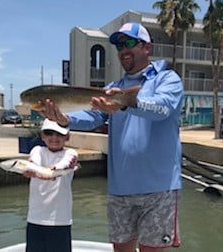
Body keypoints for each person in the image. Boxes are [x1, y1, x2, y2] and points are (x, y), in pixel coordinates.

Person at [43, 22, 184, 252]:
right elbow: (92, 115)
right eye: (119, 45)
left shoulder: (167, 80)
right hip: (120, 188)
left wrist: (126, 102)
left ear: (147, 47)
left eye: (129, 42)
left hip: (159, 188)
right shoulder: (113, 88)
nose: (123, 50)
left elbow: (163, 108)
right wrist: (65, 120)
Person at [23, 118, 78, 252]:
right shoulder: (37, 150)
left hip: (59, 221)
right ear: (42, 136)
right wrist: (32, 168)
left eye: (59, 134)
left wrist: (52, 171)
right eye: (49, 133)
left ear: (68, 137)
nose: (54, 138)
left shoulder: (71, 154)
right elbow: (34, 160)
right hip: (35, 219)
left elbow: (65, 164)